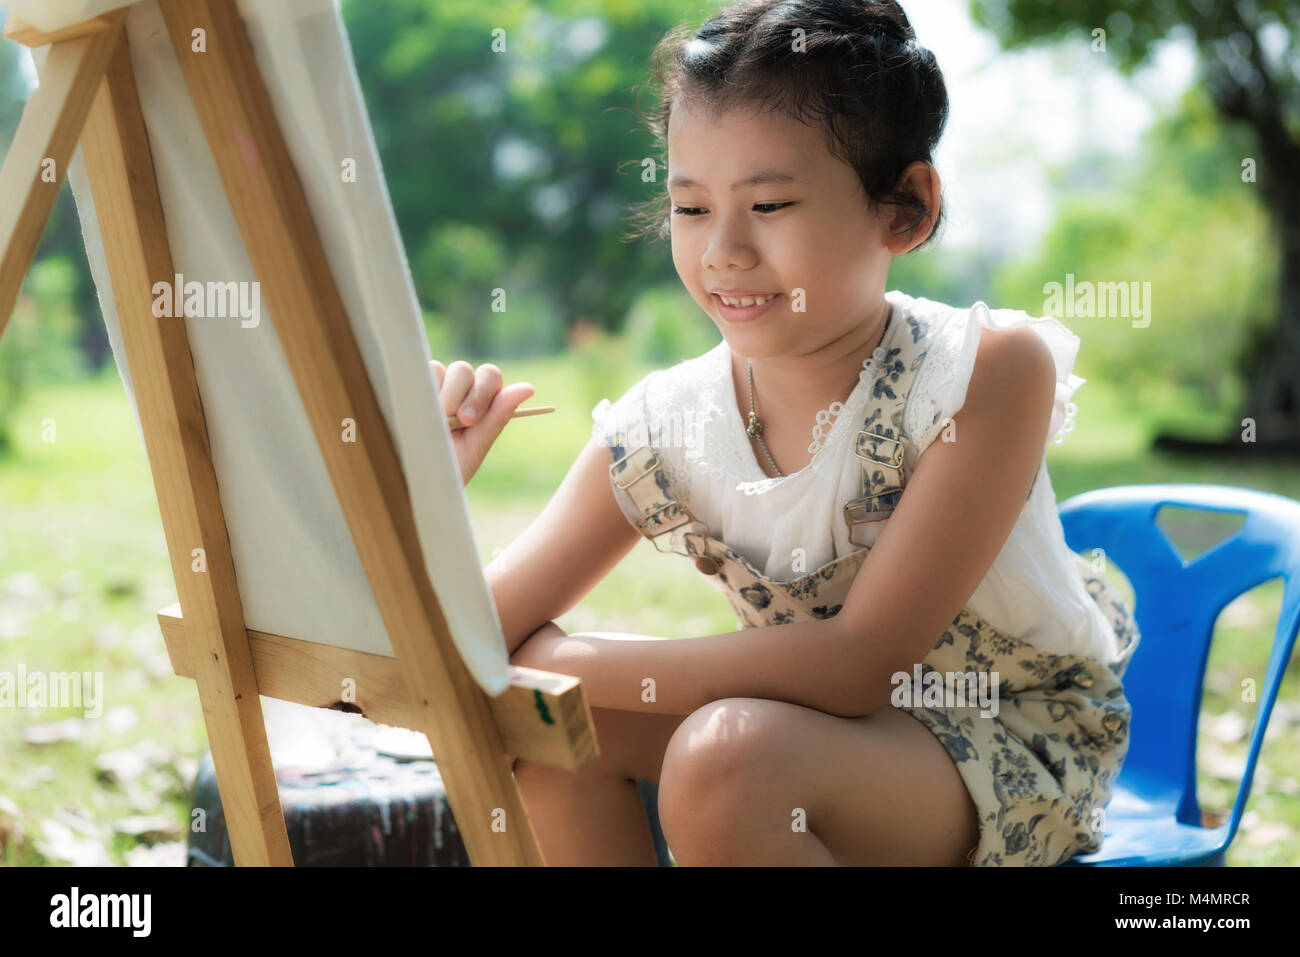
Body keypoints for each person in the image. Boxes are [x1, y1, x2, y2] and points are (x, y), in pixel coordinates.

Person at [431, 0, 1139, 867]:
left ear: (906, 209)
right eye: (690, 208)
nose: (723, 251)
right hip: (807, 736)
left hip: (1000, 737)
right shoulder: (670, 421)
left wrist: (557, 657)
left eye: (768, 202)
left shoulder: (981, 372)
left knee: (727, 760)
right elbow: (463, 640)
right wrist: (421, 494)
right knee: (550, 729)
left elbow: (856, 665)